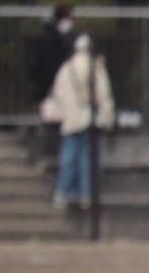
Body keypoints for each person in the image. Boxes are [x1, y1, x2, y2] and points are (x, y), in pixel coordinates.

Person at [48, 33, 114, 210]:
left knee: (69, 157)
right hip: (90, 119)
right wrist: (108, 117)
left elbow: (58, 94)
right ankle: (87, 195)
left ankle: (63, 192)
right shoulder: (95, 67)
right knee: (88, 160)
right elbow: (104, 95)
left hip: (71, 120)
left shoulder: (65, 68)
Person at [26, 3, 73, 160]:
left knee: (48, 120)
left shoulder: (45, 37)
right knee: (54, 122)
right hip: (52, 86)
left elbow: (34, 65)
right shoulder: (56, 40)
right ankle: (51, 153)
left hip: (45, 87)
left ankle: (47, 152)